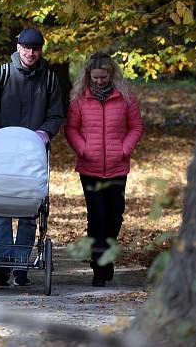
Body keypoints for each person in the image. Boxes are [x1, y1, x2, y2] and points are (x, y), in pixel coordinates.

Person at [0, 27, 64, 287]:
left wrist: (45, 132)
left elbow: (56, 115)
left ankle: (21, 265)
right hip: (3, 152)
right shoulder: (0, 75)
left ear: (41, 50)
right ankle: (2, 263)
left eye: (35, 49)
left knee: (28, 208)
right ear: (18, 46)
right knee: (2, 205)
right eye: (26, 48)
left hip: (32, 154)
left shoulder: (49, 80)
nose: (30, 53)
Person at [65, 52, 143, 287]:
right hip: (89, 167)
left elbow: (136, 127)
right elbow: (71, 129)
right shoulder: (79, 98)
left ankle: (105, 256)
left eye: (104, 77)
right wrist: (84, 149)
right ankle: (100, 266)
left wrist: (123, 149)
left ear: (112, 74)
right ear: (89, 75)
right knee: (97, 216)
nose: (99, 81)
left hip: (118, 167)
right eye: (95, 77)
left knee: (115, 215)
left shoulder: (126, 97)